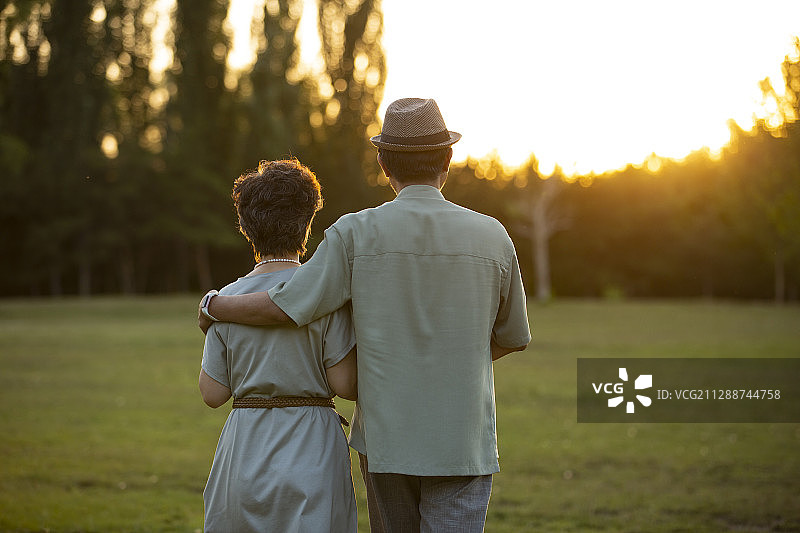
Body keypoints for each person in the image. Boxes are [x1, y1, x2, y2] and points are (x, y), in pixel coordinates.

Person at [199, 98, 531, 533]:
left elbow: (286, 304)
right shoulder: (493, 235)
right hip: (462, 436)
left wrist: (215, 306)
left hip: (386, 437)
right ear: (447, 159)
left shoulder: (353, 233)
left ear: (383, 163)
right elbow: (512, 335)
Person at [198, 159, 358, 533]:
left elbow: (212, 392)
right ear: (307, 222)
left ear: (245, 227)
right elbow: (344, 385)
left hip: (246, 444)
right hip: (312, 445)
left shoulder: (225, 300)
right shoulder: (325, 296)